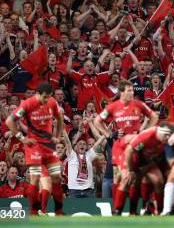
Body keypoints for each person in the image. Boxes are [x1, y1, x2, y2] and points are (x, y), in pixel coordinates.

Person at [93, 80, 158, 215]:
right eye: (129, 91)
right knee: (120, 177)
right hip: (120, 147)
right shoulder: (112, 107)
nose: (132, 93)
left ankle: (132, 211)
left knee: (134, 179)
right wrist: (109, 134)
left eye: (132, 90)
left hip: (136, 145)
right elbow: (97, 121)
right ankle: (117, 209)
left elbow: (154, 116)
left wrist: (145, 132)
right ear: (121, 92)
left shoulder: (139, 104)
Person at [5, 82, 65, 215]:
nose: (46, 100)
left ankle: (59, 211)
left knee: (57, 178)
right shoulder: (27, 104)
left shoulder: (52, 102)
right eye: (44, 97)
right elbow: (9, 121)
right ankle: (33, 211)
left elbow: (60, 118)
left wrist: (58, 136)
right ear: (38, 94)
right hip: (34, 146)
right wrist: (22, 138)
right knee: (35, 179)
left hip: (49, 146)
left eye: (49, 97)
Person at [62, 125, 106, 198]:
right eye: (80, 144)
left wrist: (106, 132)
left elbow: (99, 141)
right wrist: (62, 128)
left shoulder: (89, 154)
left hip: (88, 190)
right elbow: (67, 141)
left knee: (90, 209)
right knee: (74, 210)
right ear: (76, 146)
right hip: (74, 190)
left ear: (86, 147)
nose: (82, 145)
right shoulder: (71, 155)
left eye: (84, 144)